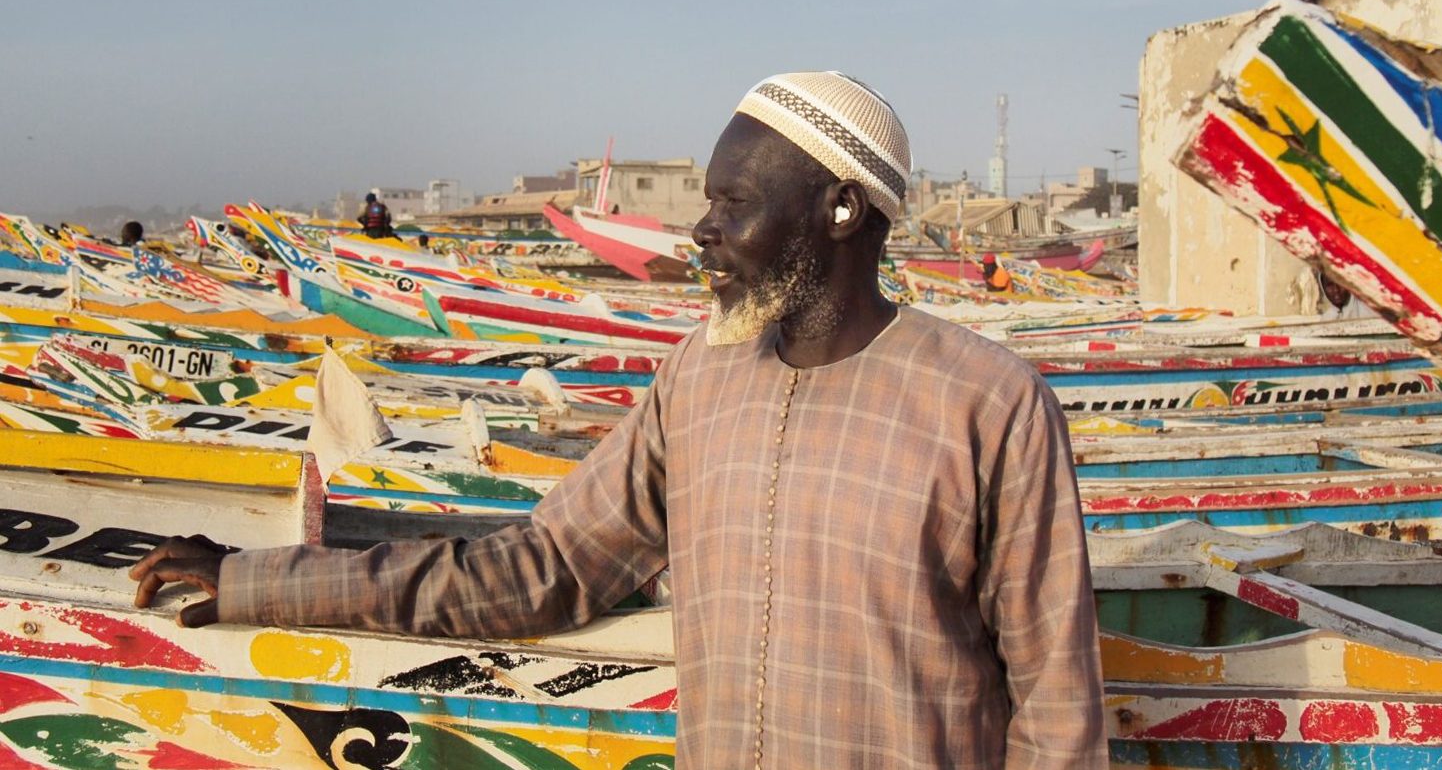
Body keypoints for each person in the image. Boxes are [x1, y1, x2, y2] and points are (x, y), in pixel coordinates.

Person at [132, 71, 1107, 769]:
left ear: (841, 211)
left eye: (732, 202)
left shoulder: (988, 403)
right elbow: (540, 569)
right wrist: (256, 579)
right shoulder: (697, 381)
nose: (700, 231)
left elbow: (1058, 714)